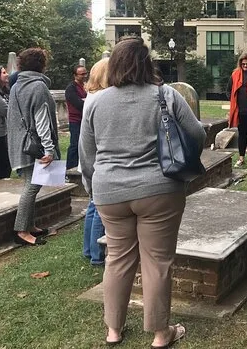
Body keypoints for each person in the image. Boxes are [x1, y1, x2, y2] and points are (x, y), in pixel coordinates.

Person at [79, 37, 205, 347]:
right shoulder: (166, 94)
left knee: (117, 259)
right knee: (157, 261)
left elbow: (86, 153)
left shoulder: (95, 101)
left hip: (109, 191)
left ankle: (113, 329)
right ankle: (161, 333)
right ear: (146, 64)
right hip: (160, 189)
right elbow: (197, 134)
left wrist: (92, 186)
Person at [7, 48, 60, 246]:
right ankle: (21, 231)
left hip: (19, 142)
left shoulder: (16, 86)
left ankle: (30, 225)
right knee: (32, 186)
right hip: (35, 145)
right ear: (42, 65)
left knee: (31, 183)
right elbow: (42, 119)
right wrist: (49, 149)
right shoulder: (38, 86)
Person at [81, 58, 109, 266]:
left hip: (91, 157)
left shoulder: (91, 96)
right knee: (100, 210)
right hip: (98, 158)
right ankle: (97, 255)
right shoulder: (101, 98)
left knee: (93, 207)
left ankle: (88, 249)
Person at [65, 64, 87, 171]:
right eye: (81, 74)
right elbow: (78, 104)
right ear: (75, 75)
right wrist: (86, 100)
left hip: (85, 120)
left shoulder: (86, 86)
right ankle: (70, 168)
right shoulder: (71, 88)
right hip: (75, 121)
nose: (84, 76)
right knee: (75, 144)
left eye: (85, 73)